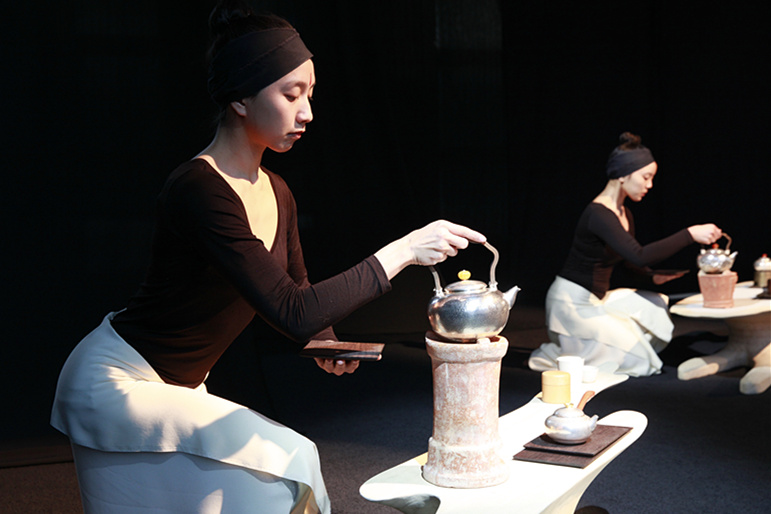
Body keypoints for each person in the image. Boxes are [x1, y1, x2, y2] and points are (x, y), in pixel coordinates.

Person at [50, 2, 485, 513]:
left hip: (180, 388)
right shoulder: (198, 189)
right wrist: (404, 250)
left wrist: (326, 342)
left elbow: (298, 299)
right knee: (290, 460)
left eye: (310, 94)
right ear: (240, 97)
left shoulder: (277, 191)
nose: (307, 112)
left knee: (263, 489)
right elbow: (292, 311)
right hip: (116, 384)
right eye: (290, 94)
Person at [528, 132, 722, 377]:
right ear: (623, 174)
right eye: (646, 177)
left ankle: (600, 346)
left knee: (656, 303)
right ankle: (561, 353)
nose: (649, 185)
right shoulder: (599, 214)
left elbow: (629, 263)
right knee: (640, 362)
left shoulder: (624, 213)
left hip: (597, 300)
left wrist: (652, 278)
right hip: (572, 305)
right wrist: (689, 234)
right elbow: (640, 255)